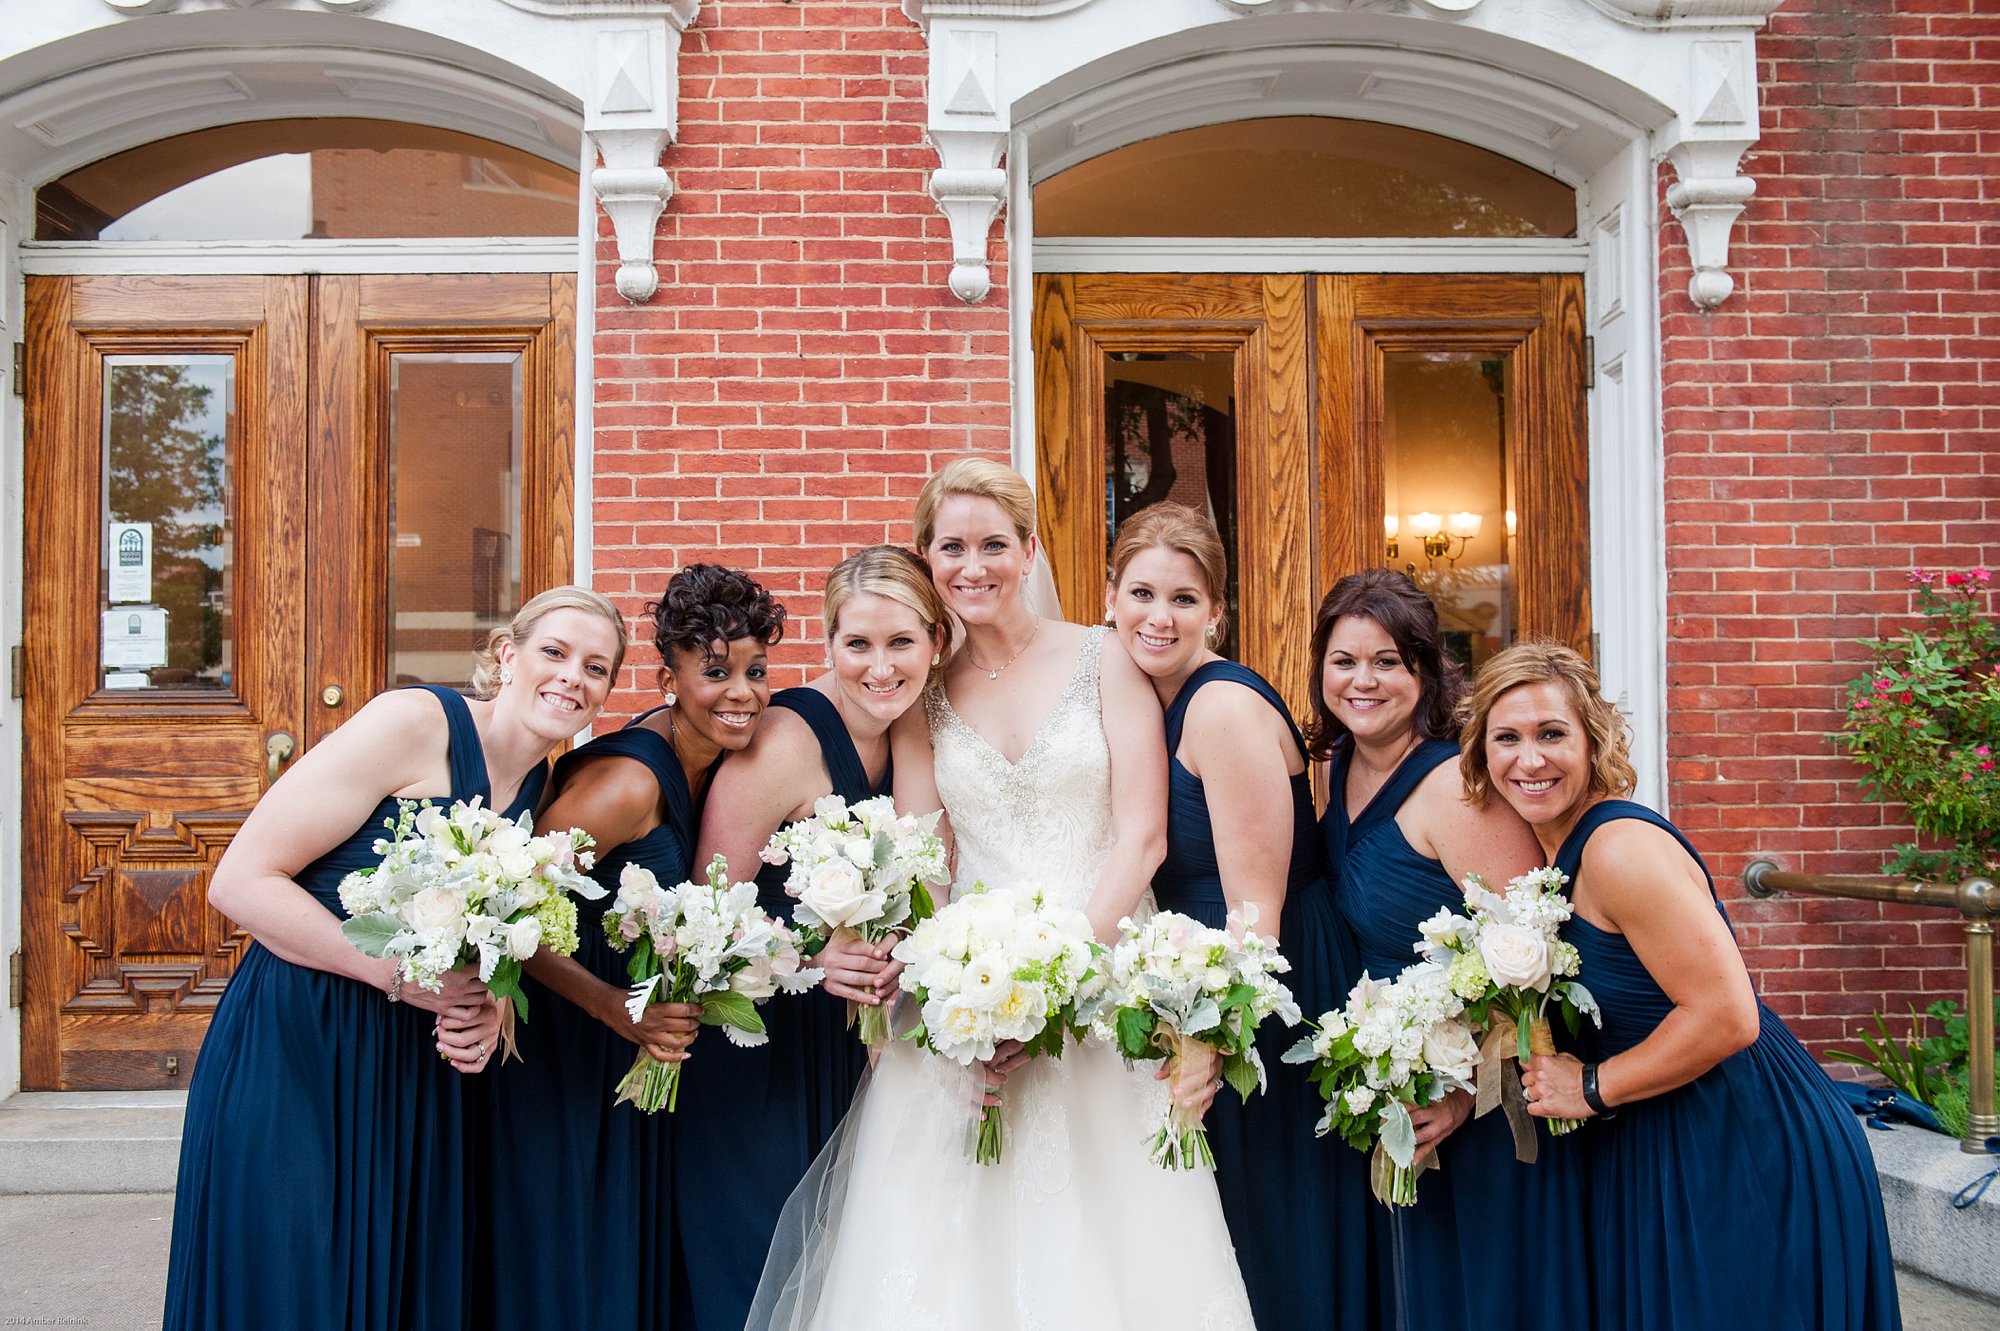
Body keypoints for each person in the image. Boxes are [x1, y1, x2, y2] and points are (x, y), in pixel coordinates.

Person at [750, 459, 1254, 1330]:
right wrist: (958, 1000)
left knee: (1115, 1243)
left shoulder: (1105, 657)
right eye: (952, 546)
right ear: (927, 554)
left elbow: (1143, 838)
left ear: (1028, 550)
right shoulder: (922, 690)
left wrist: (1056, 986)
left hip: (1100, 981)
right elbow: (926, 855)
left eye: (993, 544)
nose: (972, 566)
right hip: (967, 985)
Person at [163, 586, 627, 1331]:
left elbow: (487, 941)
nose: (573, 675)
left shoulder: (540, 787)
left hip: (410, 1070)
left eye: (596, 667)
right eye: (555, 651)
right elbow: (240, 881)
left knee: (389, 1285)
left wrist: (489, 1010)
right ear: (508, 656)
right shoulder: (413, 723)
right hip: (303, 1041)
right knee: (299, 1280)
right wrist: (396, 975)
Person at [1469, 642, 1904, 1331]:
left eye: (1553, 733)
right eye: (1508, 737)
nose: (1530, 759)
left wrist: (1589, 1086)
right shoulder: (1555, 852)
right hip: (1659, 1135)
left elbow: (1729, 1015)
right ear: (1481, 752)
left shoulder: (1618, 848)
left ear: (1594, 739)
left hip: (1739, 1143)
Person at [474, 565, 784, 1331]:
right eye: (715, 671)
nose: (740, 691)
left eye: (755, 670)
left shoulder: (714, 758)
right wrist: (615, 1006)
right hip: (573, 1044)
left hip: (630, 1043)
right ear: (668, 675)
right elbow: (505, 909)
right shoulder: (626, 783)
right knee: (579, 1249)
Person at [1103, 503, 1373, 1329]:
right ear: (1110, 596)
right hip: (1207, 977)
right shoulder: (1149, 695)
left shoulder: (1220, 708)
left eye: (1184, 598)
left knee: (1269, 1217)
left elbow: (1258, 909)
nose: (1160, 616)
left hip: (1265, 982)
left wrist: (1214, 1040)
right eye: (1141, 592)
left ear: (1217, 609)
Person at [677, 546, 947, 1328]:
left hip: (847, 1047)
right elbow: (705, 908)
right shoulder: (787, 741)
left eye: (900, 643)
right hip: (762, 1049)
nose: (880, 666)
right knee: (761, 1270)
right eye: (856, 643)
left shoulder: (908, 729)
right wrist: (811, 953)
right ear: (828, 643)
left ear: (934, 640)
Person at [1310, 569, 1583, 1329]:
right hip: (1398, 1075)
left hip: (1481, 1104)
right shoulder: (1335, 768)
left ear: (1426, 670)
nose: (1363, 680)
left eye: (1388, 660)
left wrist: (1467, 1093)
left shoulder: (1455, 785)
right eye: (1344, 660)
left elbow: (1533, 956)